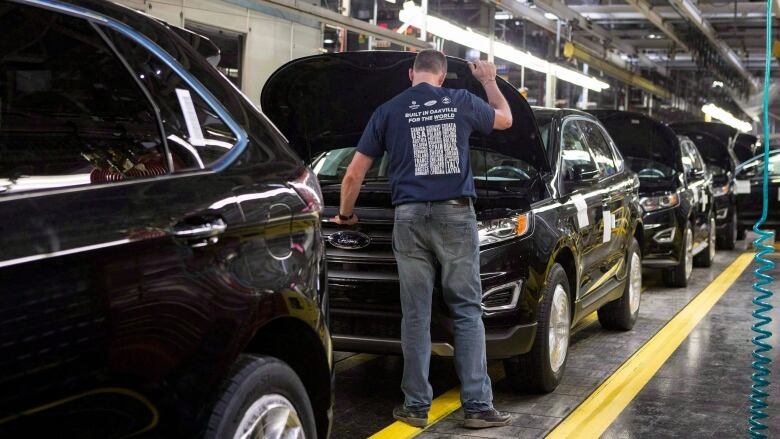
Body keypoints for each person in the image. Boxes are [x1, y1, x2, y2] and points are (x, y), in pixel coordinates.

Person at [331, 50, 513, 429]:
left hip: (409, 216)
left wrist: (346, 214)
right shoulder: (461, 102)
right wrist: (488, 80)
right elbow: (506, 119)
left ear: (411, 74)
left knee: (415, 314)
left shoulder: (388, 110)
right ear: (443, 77)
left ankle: (415, 407)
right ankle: (477, 407)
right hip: (455, 214)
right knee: (466, 309)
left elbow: (352, 175)